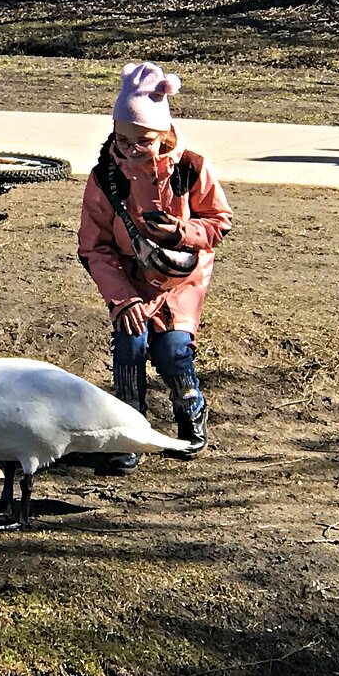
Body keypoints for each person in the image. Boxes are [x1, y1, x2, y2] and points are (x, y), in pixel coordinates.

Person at [78, 62, 233, 474]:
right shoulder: (105, 177)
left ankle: (190, 408)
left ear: (163, 132)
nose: (129, 148)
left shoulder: (192, 168)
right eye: (122, 138)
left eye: (141, 141)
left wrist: (182, 231)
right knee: (129, 343)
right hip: (128, 278)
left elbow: (219, 222)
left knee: (172, 350)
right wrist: (122, 297)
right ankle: (128, 431)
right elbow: (94, 247)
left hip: (182, 277)